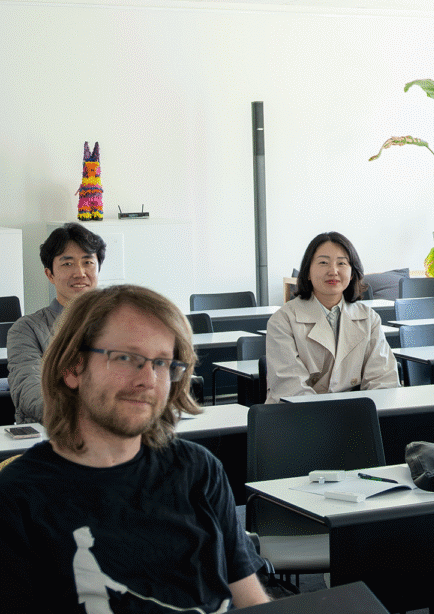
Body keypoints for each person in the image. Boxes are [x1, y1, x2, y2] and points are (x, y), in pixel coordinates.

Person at [0, 284, 270, 612]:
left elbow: (250, 598)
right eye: (126, 357)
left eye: (162, 362)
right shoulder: (17, 497)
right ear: (72, 369)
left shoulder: (199, 469)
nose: (149, 379)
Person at [266, 232, 398, 403]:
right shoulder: (283, 320)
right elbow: (291, 388)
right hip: (299, 419)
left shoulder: (369, 318)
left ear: (351, 274)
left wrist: (366, 415)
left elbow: (383, 380)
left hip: (354, 416)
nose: (333, 271)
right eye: (323, 262)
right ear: (307, 272)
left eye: (342, 263)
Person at [9, 222, 106, 424]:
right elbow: (29, 390)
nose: (80, 273)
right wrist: (86, 417)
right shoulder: (27, 329)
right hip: (53, 434)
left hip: (115, 433)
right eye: (67, 264)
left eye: (88, 262)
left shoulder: (119, 323)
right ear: (49, 274)